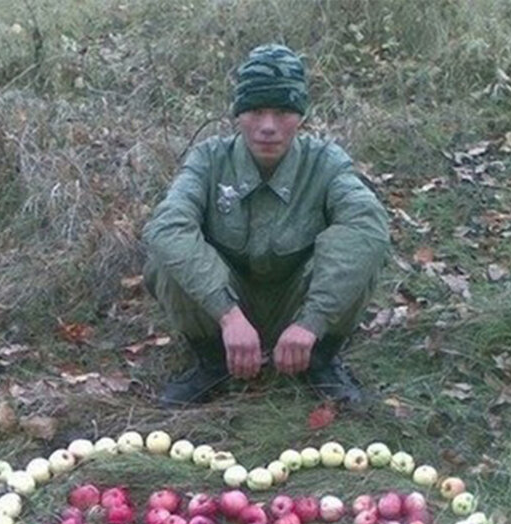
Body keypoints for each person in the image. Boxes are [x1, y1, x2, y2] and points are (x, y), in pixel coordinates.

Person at [142, 43, 390, 408]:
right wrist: (228, 316)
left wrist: (312, 321)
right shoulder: (209, 159)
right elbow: (167, 226)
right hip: (226, 303)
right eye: (256, 111)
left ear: (301, 116)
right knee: (166, 257)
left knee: (363, 252)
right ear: (238, 115)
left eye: (283, 112)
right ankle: (213, 363)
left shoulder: (326, 162)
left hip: (299, 303)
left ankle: (319, 361)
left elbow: (367, 227)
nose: (268, 127)